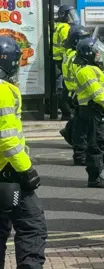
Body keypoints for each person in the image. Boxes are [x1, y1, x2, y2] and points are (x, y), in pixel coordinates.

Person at [0, 36, 48, 269]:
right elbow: (8, 141)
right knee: (32, 227)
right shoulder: (4, 90)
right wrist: (27, 170)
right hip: (8, 172)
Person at [73, 37, 104, 188]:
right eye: (95, 51)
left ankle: (102, 174)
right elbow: (98, 95)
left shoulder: (92, 68)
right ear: (88, 53)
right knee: (96, 144)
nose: (98, 54)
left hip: (96, 110)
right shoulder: (85, 71)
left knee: (101, 142)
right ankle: (95, 178)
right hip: (92, 110)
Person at [60, 24, 91, 166]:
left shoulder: (68, 53)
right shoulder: (75, 57)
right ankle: (80, 153)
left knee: (79, 121)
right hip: (78, 92)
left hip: (72, 91)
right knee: (82, 126)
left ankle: (68, 132)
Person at [53, 4, 80, 120]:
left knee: (65, 84)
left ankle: (67, 111)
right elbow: (70, 42)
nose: (72, 18)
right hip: (65, 58)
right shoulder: (65, 28)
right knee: (68, 85)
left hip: (60, 59)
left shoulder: (59, 26)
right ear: (63, 16)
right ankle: (67, 111)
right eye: (70, 15)